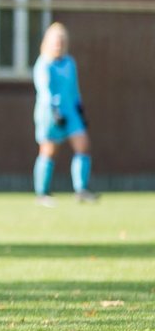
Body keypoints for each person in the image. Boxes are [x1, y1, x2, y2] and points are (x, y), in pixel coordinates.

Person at [32, 22, 97, 207]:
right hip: (50, 113)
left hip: (71, 111)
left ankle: (81, 189)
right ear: (47, 42)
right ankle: (42, 193)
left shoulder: (69, 62)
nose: (58, 44)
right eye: (55, 41)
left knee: (83, 145)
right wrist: (54, 111)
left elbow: (74, 89)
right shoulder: (43, 64)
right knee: (49, 151)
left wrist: (79, 107)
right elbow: (44, 90)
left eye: (61, 41)